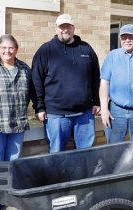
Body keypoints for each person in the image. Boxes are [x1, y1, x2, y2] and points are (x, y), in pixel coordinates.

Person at [0, 34, 34, 210]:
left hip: (17, 124)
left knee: (13, 164)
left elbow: (29, 95)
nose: (7, 51)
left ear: (16, 49)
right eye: (3, 47)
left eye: (11, 47)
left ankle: (9, 197)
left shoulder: (25, 69)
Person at [32, 13, 101, 153]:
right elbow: (36, 80)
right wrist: (39, 107)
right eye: (61, 27)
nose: (65, 30)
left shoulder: (86, 49)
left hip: (84, 113)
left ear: (73, 28)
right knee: (57, 153)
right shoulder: (45, 50)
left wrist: (96, 101)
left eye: (68, 26)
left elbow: (95, 77)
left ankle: (84, 175)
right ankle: (58, 176)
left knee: (86, 153)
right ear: (56, 29)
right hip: (56, 114)